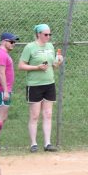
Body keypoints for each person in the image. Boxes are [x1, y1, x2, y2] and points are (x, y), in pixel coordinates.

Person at [18, 24, 63, 153]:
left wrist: (58, 62)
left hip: (49, 83)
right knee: (34, 115)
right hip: (34, 85)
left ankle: (47, 143)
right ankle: (33, 144)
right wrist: (36, 67)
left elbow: (52, 65)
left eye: (49, 35)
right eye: (45, 34)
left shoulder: (50, 46)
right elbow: (21, 66)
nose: (48, 37)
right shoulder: (30, 47)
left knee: (48, 114)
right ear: (38, 34)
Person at [0, 32, 19, 146]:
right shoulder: (2, 54)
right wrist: (5, 91)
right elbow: (1, 73)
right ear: (4, 41)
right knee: (0, 116)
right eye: (11, 41)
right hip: (1, 89)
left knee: (3, 116)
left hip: (3, 89)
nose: (13, 44)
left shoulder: (2, 53)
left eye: (14, 42)